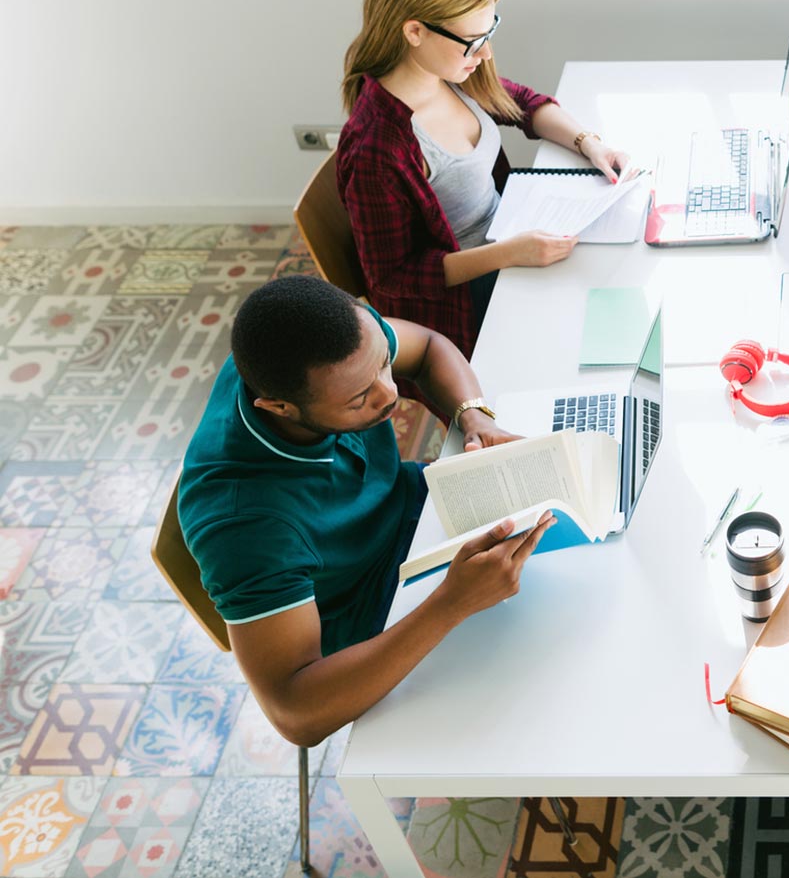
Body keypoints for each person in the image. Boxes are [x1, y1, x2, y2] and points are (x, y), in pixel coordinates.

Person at [177, 275, 557, 747]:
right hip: (373, 617)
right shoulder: (243, 525)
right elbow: (295, 713)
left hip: (414, 510)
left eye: (383, 365)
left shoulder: (327, 343)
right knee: (545, 684)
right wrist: (451, 604)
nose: (390, 394)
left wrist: (473, 415)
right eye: (360, 399)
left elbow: (431, 345)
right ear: (280, 407)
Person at [337, 0, 632, 357]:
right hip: (462, 297)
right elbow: (392, 278)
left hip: (510, 239)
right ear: (415, 31)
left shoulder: (454, 74)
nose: (487, 52)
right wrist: (507, 254)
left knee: (616, 279)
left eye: (490, 30)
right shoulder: (377, 149)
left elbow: (524, 105)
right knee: (592, 328)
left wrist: (590, 144)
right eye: (474, 40)